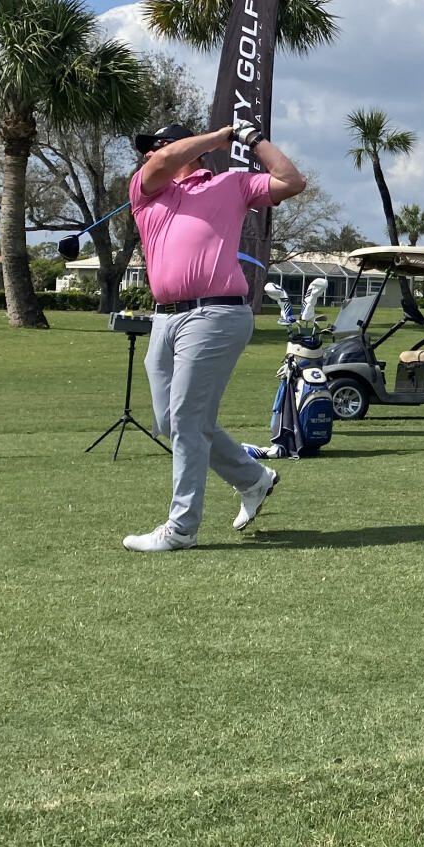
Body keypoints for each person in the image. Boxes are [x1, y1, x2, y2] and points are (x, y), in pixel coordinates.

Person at [120, 119, 308, 552]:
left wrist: (253, 140)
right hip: (164, 319)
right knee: (173, 420)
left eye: (156, 145)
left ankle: (181, 528)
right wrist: (225, 135)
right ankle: (253, 478)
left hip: (217, 314)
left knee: (186, 418)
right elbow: (166, 160)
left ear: (191, 149)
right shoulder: (145, 190)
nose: (148, 154)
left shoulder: (232, 184)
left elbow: (292, 180)